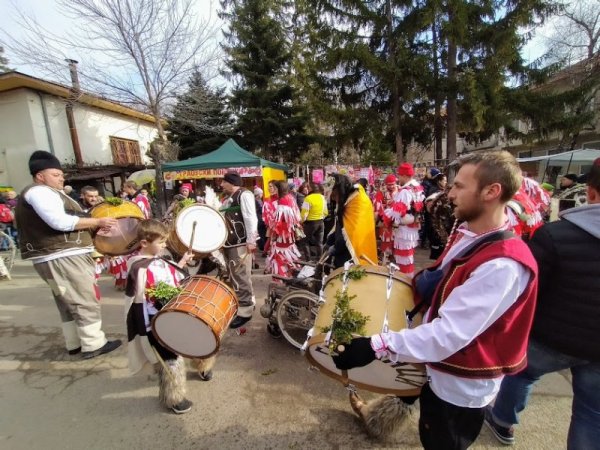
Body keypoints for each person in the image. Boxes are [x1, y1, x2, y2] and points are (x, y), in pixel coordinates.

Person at [332, 151, 539, 450]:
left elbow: (449, 335)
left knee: (440, 441)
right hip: (439, 366)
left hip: (458, 384)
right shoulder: (472, 232)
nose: (449, 194)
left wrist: (375, 345)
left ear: (491, 192)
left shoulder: (502, 265)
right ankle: (379, 420)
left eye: (458, 186)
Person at [485, 158, 600, 449]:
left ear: (592, 192)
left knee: (521, 373)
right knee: (591, 414)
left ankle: (503, 421)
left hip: (552, 338)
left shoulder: (555, 235)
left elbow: (526, 290)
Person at [14, 150, 122, 358]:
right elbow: (60, 222)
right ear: (40, 176)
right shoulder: (39, 192)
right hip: (62, 257)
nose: (61, 177)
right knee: (84, 299)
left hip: (55, 257)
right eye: (55, 174)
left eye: (61, 174)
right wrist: (98, 222)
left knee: (66, 302)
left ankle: (74, 342)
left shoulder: (45, 192)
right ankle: (94, 344)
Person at [124, 219, 195, 414]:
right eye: (161, 242)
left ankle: (179, 380)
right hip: (155, 319)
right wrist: (146, 327)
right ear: (145, 243)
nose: (165, 246)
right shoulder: (139, 268)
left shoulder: (160, 259)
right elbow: (137, 300)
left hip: (170, 314)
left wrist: (182, 263)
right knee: (171, 358)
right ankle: (173, 398)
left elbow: (172, 276)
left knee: (175, 352)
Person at [219, 171, 258, 329]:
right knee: (238, 275)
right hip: (233, 243)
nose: (221, 185)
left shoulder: (244, 194)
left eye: (224, 182)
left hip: (240, 243)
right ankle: (250, 301)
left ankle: (245, 312)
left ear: (231, 182)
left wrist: (251, 240)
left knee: (240, 275)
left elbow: (250, 218)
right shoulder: (231, 197)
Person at [326, 174, 377, 269]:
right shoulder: (347, 198)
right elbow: (340, 224)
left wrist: (335, 248)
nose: (332, 198)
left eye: (334, 195)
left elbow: (352, 232)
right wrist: (329, 242)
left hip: (354, 254)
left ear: (339, 190)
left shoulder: (358, 201)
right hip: (342, 251)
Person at [385, 163, 425, 277]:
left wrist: (387, 214)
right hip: (412, 228)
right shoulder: (417, 187)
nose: (398, 178)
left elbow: (398, 212)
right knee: (408, 257)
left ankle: (406, 281)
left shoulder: (405, 191)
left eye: (399, 175)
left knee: (403, 259)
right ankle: (408, 278)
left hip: (404, 230)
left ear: (405, 175)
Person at [264, 181, 302, 276]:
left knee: (279, 255)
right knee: (288, 255)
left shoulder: (283, 200)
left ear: (279, 189)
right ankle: (292, 273)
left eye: (275, 188)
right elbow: (297, 217)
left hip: (283, 235)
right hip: (289, 234)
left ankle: (282, 277)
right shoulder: (291, 198)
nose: (272, 190)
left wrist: (274, 230)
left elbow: (280, 222)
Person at [299, 182, 328, 261]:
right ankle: (319, 260)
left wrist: (300, 222)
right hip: (321, 222)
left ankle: (308, 260)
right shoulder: (322, 197)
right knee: (319, 242)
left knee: (304, 241)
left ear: (310, 189)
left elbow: (304, 214)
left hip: (310, 223)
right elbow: (325, 212)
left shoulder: (308, 198)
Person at [373, 174, 398, 264]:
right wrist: (384, 215)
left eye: (393, 184)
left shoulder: (400, 191)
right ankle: (385, 260)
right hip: (385, 221)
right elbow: (377, 205)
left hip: (397, 221)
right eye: (389, 184)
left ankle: (396, 259)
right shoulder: (381, 192)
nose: (391, 186)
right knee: (385, 242)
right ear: (385, 184)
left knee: (397, 243)